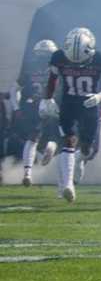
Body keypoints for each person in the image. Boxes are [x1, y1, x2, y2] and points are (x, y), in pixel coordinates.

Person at [44, 27, 101, 202]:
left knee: (87, 150)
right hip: (69, 102)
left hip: (90, 104)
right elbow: (52, 80)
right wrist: (47, 100)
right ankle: (67, 185)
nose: (77, 65)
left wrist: (99, 96)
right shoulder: (58, 57)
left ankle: (77, 161)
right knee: (69, 141)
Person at [13, 39, 57, 187]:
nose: (43, 58)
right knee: (33, 137)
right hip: (36, 106)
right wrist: (16, 108)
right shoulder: (30, 70)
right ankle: (28, 172)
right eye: (41, 55)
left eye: (46, 55)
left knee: (54, 138)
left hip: (52, 106)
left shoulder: (58, 69)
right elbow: (15, 89)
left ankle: (35, 165)